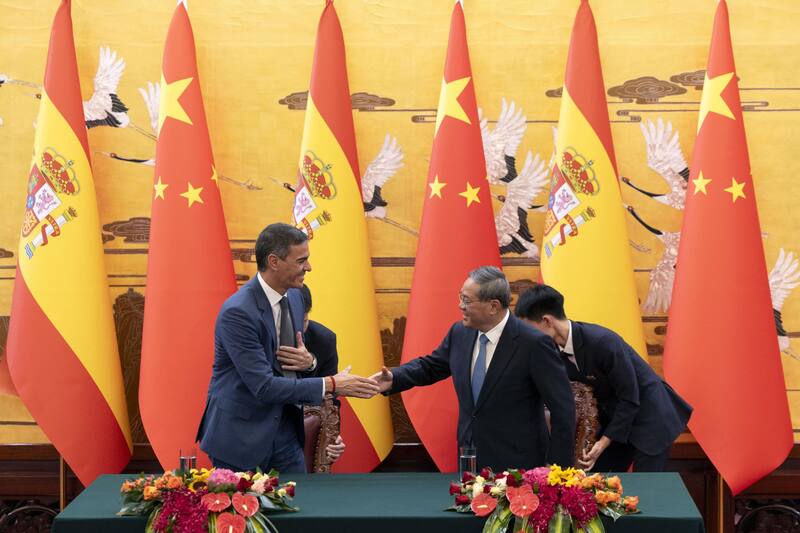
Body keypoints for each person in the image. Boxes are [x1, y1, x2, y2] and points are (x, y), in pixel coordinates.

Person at [196, 223, 379, 473]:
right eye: (301, 260)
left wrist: (310, 363)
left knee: (299, 508)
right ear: (274, 261)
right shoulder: (238, 313)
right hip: (240, 438)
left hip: (286, 434)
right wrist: (332, 384)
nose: (309, 267)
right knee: (245, 512)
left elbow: (289, 367)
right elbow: (264, 386)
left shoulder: (294, 296)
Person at [371, 266, 576, 471]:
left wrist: (556, 466)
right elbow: (430, 366)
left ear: (493, 306)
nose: (460, 306)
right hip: (470, 458)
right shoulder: (460, 333)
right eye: (461, 297)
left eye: (467, 300)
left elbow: (562, 408)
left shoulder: (533, 343)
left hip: (519, 466)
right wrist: (394, 378)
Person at [514, 283, 693, 472]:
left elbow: (630, 397)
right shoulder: (552, 350)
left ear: (547, 321)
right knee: (597, 477)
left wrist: (603, 442)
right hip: (618, 421)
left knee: (647, 487)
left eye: (529, 329)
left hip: (651, 416)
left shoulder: (602, 342)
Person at [298, 284, 345, 464]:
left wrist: (331, 436)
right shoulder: (256, 334)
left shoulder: (323, 339)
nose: (299, 330)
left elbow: (329, 400)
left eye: (304, 321)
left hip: (301, 434)